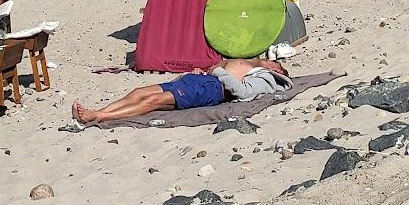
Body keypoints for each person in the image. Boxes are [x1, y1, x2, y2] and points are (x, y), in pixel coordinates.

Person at [72, 56, 290, 125]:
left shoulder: (268, 77)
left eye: (274, 61)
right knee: (140, 91)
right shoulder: (253, 62)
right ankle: (98, 109)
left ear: (278, 69)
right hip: (200, 79)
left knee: (155, 101)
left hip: (212, 89)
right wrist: (205, 70)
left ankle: (100, 116)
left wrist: (216, 72)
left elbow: (243, 93)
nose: (269, 60)